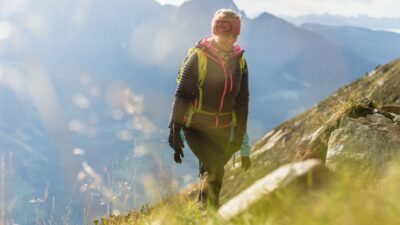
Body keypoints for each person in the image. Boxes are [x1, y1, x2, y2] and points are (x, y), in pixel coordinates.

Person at [168, 9, 251, 209]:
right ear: (215, 31)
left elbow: (242, 100)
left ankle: (201, 213)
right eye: (223, 34)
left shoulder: (239, 61)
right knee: (215, 170)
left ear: (236, 34)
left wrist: (241, 137)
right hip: (195, 127)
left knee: (210, 173)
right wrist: (174, 128)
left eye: (231, 35)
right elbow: (182, 94)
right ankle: (210, 215)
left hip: (222, 128)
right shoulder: (198, 58)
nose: (227, 39)